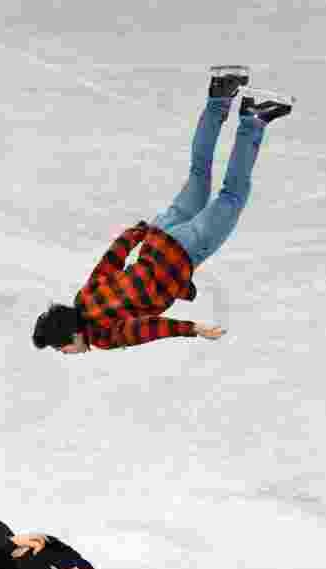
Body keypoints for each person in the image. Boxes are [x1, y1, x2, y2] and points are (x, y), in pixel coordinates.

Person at [32, 65, 292, 354]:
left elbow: (148, 329)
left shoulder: (103, 336)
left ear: (72, 334)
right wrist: (139, 232)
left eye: (61, 347)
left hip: (181, 251)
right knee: (198, 174)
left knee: (232, 196)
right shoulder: (85, 298)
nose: (65, 353)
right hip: (158, 235)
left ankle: (253, 119)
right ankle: (220, 93)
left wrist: (192, 329)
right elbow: (112, 258)